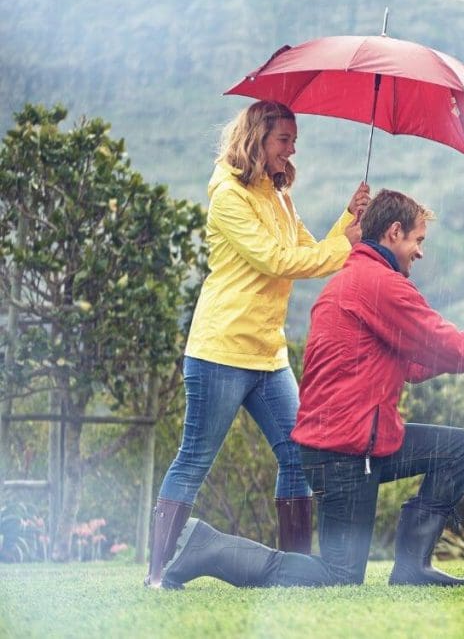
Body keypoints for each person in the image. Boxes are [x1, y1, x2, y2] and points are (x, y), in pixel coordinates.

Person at [158, 189, 464, 589]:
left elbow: (414, 364)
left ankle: (412, 568)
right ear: (394, 232)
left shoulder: (357, 281)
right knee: (338, 577)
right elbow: (450, 349)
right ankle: (207, 547)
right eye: (417, 240)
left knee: (459, 449)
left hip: (368, 443)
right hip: (341, 455)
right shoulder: (379, 285)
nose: (420, 252)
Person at [145, 101, 371, 588]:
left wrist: (348, 220)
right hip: (221, 350)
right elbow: (275, 260)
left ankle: (296, 574)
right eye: (283, 140)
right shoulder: (228, 195)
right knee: (194, 460)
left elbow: (308, 251)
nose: (292, 149)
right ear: (257, 139)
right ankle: (158, 573)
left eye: (294, 140)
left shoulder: (278, 194)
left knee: (298, 455)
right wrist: (346, 243)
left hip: (268, 354)